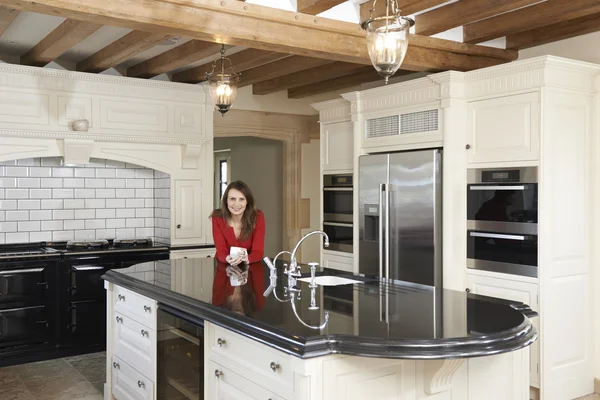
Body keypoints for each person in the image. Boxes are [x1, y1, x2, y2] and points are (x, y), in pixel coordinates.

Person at [211, 180, 266, 266]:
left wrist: (247, 259)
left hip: (249, 266)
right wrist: (228, 258)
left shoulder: (257, 217)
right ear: (226, 201)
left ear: (247, 201)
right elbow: (221, 250)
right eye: (232, 199)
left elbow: (258, 251)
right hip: (224, 266)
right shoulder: (217, 218)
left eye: (241, 199)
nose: (237, 204)